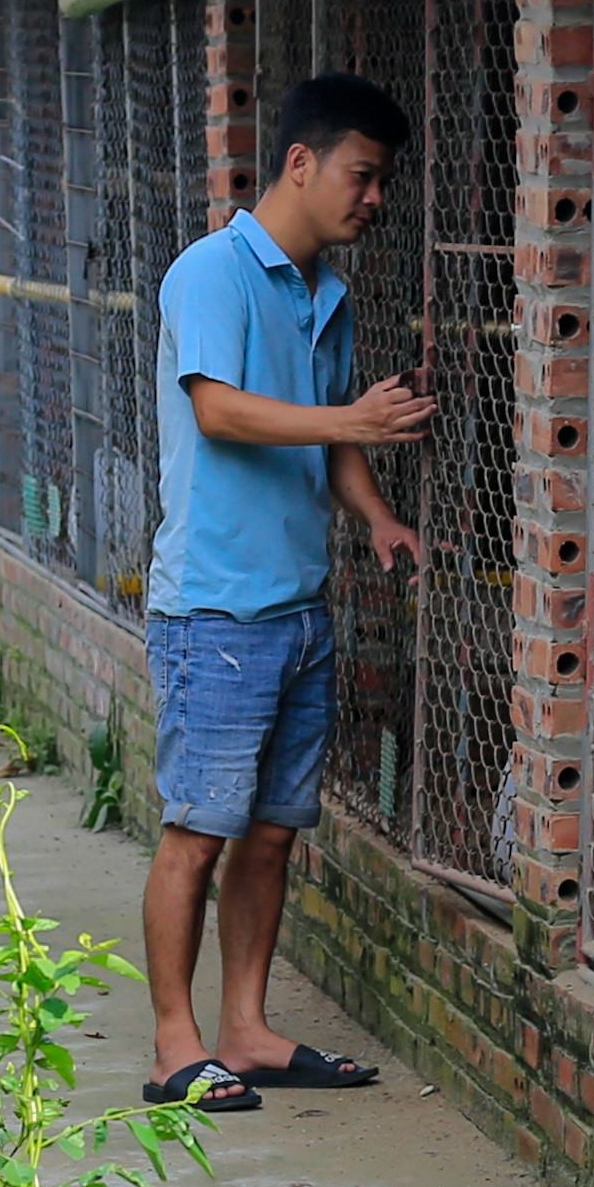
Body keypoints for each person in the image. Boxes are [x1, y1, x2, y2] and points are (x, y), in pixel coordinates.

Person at [138, 73, 432, 1114]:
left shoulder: (326, 295)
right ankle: (175, 1047)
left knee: (271, 832)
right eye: (362, 174)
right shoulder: (209, 273)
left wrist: (378, 517)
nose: (375, 198)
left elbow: (330, 432)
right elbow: (218, 411)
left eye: (384, 182)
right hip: (214, 610)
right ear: (300, 163)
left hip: (299, 608)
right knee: (198, 832)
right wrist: (352, 421)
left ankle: (246, 1031)